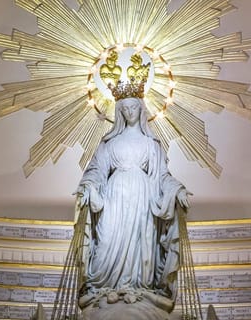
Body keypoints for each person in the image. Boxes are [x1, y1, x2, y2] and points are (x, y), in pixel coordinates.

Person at [75, 87, 191, 313]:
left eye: (133, 108)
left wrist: (177, 190)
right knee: (107, 240)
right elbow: (96, 171)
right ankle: (106, 285)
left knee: (142, 243)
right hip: (114, 197)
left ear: (141, 110)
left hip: (143, 200)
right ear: (119, 112)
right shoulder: (109, 142)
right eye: (124, 108)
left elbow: (162, 176)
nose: (129, 112)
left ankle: (138, 287)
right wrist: (88, 186)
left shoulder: (151, 143)